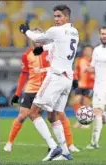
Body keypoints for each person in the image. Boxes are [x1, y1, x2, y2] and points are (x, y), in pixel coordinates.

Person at [3, 29, 79, 153]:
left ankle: (68, 145)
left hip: (49, 87)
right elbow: (24, 74)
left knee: (58, 114)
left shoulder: (51, 51)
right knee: (22, 115)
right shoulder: (26, 55)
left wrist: (74, 77)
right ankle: (9, 143)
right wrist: (17, 93)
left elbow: (65, 64)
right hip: (32, 89)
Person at [19, 4, 79, 161]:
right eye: (55, 16)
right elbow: (58, 44)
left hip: (56, 77)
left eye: (59, 16)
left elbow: (37, 38)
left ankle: (53, 147)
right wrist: (44, 49)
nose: (56, 19)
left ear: (67, 17)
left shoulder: (56, 30)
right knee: (53, 116)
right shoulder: (74, 31)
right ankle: (65, 152)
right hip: (68, 79)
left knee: (33, 112)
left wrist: (25, 30)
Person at [72, 45, 95, 129]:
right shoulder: (79, 60)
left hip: (90, 85)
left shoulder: (95, 61)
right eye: (86, 50)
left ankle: (86, 122)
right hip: (80, 84)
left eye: (89, 50)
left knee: (86, 102)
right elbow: (76, 71)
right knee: (76, 101)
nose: (87, 52)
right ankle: (79, 119)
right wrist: (75, 80)